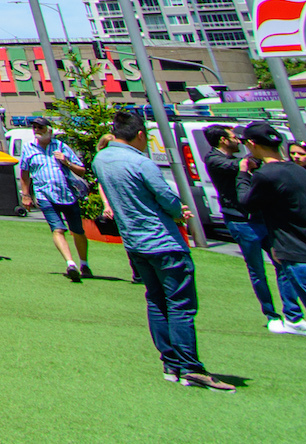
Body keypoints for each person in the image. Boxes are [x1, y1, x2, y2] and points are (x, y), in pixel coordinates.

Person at [94, 108, 230, 388]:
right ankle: (190, 366)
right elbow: (166, 196)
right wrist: (178, 211)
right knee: (180, 304)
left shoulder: (101, 158)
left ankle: (170, 363)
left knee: (156, 301)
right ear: (140, 134)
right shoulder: (140, 162)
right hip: (162, 240)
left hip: (134, 241)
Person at [203, 125, 288, 327]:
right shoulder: (214, 159)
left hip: (260, 217)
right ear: (223, 140)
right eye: (234, 137)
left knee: (282, 262)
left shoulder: (239, 158)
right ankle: (271, 314)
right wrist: (257, 153)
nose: (239, 140)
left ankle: (292, 312)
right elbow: (240, 165)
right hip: (240, 220)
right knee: (257, 269)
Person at [240, 120, 306, 338]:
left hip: (297, 254)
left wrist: (244, 174)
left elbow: (246, 203)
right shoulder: (299, 171)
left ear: (252, 144)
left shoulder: (266, 175)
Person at [17, 116, 92, 280]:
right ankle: (70, 263)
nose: (37, 131)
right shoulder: (29, 148)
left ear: (49, 130)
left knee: (77, 231)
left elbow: (81, 170)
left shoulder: (61, 147)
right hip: (45, 195)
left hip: (68, 195)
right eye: (34, 128)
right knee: (57, 229)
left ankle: (84, 264)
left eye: (40, 128)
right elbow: (24, 173)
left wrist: (66, 162)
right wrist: (26, 195)